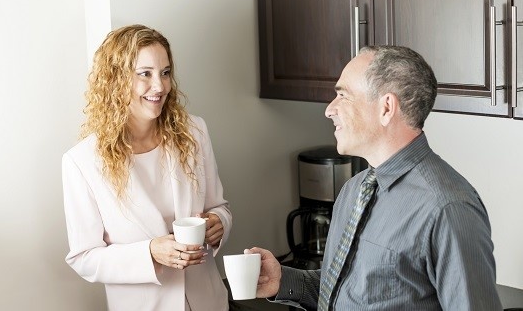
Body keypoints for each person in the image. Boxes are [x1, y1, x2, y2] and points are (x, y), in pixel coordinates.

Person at [246, 45, 503, 310]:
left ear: (386, 108)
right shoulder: (353, 190)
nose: (329, 110)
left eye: (343, 96)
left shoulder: (447, 208)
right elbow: (344, 292)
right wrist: (281, 280)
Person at [62, 24, 232, 311]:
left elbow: (219, 207)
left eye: (165, 73)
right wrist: (150, 253)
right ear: (116, 80)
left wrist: (219, 223)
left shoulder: (195, 132)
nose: (160, 86)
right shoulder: (82, 161)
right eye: (145, 74)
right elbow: (84, 257)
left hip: (208, 302)